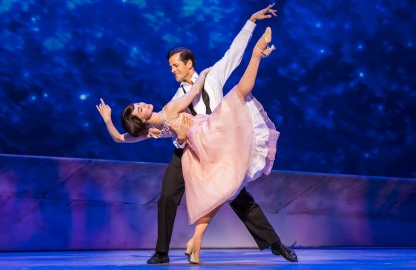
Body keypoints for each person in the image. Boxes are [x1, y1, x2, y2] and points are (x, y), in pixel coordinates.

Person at [97, 4, 297, 264]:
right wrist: (109, 122)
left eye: (175, 65)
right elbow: (138, 132)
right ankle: (162, 252)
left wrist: (250, 21)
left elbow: (234, 53)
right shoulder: (174, 100)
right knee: (167, 195)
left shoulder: (212, 77)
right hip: (187, 152)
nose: (172, 69)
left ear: (188, 63)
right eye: (170, 66)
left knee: (238, 196)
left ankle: (275, 244)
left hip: (218, 146)